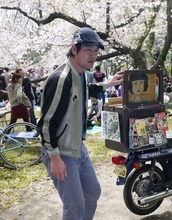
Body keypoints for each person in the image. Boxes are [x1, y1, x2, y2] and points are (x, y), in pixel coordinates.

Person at [36, 27, 123, 220]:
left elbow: (85, 89)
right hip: (60, 151)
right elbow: (45, 123)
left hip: (77, 147)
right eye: (88, 51)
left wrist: (108, 84)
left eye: (96, 51)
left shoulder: (81, 72)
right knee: (74, 205)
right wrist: (55, 158)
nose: (93, 56)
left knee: (92, 192)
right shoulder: (62, 78)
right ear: (74, 49)